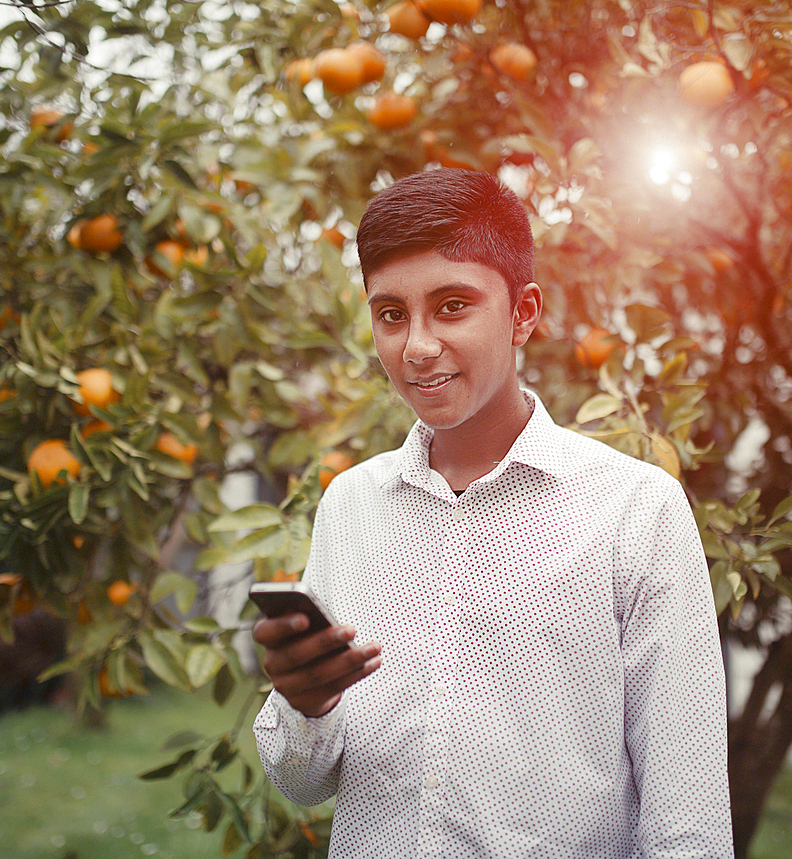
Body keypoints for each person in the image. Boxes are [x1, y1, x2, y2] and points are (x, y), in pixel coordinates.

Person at [252, 168, 733, 858]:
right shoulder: (350, 506)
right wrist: (308, 704)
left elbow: (685, 817)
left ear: (522, 313)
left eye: (452, 306)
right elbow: (302, 783)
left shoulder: (636, 509)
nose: (417, 346)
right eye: (391, 314)